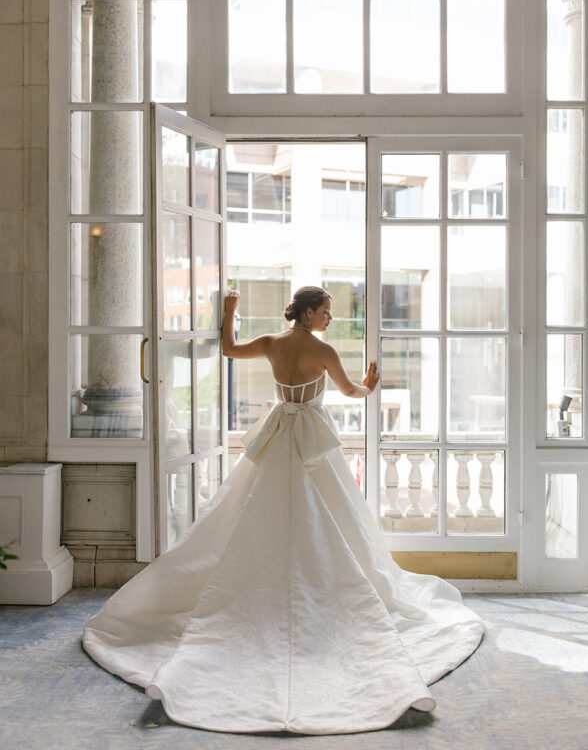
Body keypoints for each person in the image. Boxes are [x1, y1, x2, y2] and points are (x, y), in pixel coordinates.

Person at [82, 286, 484, 735]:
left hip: (278, 434)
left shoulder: (273, 344)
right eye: (327, 312)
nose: (330, 319)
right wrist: (369, 387)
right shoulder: (324, 350)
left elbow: (230, 349)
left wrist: (231, 310)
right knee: (332, 517)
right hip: (312, 438)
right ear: (309, 312)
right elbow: (350, 390)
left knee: (252, 512)